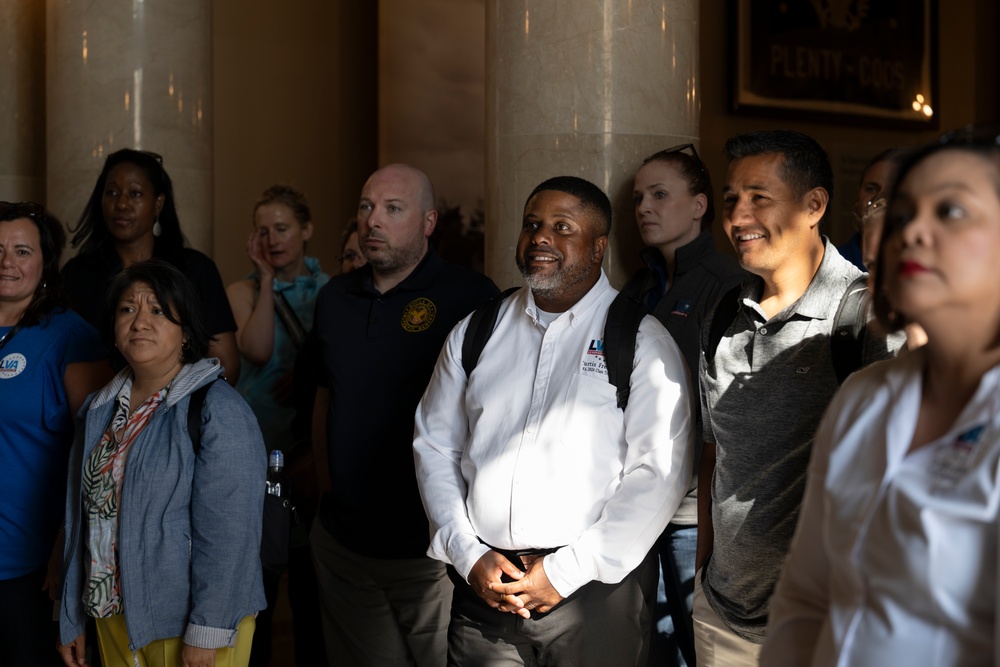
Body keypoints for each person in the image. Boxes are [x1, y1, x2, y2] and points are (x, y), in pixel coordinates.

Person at [414, 176, 694, 665]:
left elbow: (659, 475)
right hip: (485, 589)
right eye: (532, 224)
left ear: (598, 246)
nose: (541, 236)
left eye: (562, 226)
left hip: (593, 595)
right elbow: (435, 446)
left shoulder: (641, 341)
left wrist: (563, 573)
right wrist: (467, 553)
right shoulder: (478, 330)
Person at [760, 131, 1000, 665]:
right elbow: (807, 597)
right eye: (901, 211)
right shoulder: (862, 398)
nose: (912, 230)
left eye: (954, 210)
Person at [695, 130, 899, 665]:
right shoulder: (721, 316)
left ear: (815, 205)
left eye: (759, 198)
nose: (738, 217)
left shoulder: (865, 318)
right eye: (731, 200)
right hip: (721, 615)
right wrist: (704, 581)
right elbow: (715, 455)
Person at [310, 163, 498, 665]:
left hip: (429, 549)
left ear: (428, 222)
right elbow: (323, 397)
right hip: (345, 545)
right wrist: (327, 494)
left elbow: (494, 416)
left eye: (393, 209)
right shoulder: (333, 298)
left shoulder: (472, 297)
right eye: (367, 207)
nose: (374, 220)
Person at [58, 260, 266, 667]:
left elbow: (231, 534)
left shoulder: (218, 410)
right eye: (127, 309)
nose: (139, 321)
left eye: (157, 310)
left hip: (194, 625)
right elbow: (78, 521)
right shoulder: (99, 410)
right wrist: (71, 617)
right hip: (112, 616)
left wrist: (207, 631)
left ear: (186, 331)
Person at [623, 145, 747, 667]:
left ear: (699, 206)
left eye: (659, 195)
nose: (644, 208)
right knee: (651, 647)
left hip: (693, 515)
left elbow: (729, 406)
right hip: (633, 505)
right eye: (637, 198)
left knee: (693, 648)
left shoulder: (728, 281)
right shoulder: (640, 285)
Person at [0, 202, 110, 666]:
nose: (7, 261)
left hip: (28, 562)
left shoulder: (69, 336)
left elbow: (100, 449)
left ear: (45, 263)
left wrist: (69, 545)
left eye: (22, 250)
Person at [226, 185, 329, 666]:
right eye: (263, 231)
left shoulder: (333, 291)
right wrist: (266, 280)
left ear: (306, 231)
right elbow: (258, 351)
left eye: (283, 229)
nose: (272, 239)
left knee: (312, 588)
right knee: (258, 585)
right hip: (257, 447)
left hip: (309, 447)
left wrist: (308, 377)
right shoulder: (241, 291)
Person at [62, 148, 240, 384]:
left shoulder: (195, 269)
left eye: (135, 193)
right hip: (95, 409)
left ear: (158, 204)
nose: (122, 204)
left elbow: (225, 365)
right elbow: (61, 356)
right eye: (112, 192)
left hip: (180, 408)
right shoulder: (77, 274)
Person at [837, 148, 904, 271]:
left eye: (892, 190)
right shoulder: (834, 265)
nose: (880, 199)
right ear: (858, 196)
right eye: (871, 189)